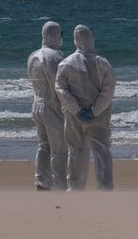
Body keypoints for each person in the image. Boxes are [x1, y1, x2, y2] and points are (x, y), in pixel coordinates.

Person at [56, 25, 116, 191]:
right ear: (90, 39)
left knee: (75, 151)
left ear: (75, 41)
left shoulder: (65, 64)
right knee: (102, 151)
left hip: (74, 116)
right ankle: (105, 189)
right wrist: (95, 110)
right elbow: (108, 90)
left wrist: (76, 109)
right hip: (99, 116)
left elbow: (61, 90)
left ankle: (75, 188)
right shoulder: (102, 62)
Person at [27, 21, 66, 191]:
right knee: (59, 148)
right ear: (56, 35)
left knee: (43, 145)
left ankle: (42, 181)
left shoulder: (33, 56)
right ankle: (59, 184)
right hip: (52, 107)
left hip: (37, 105)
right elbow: (60, 85)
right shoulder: (55, 57)